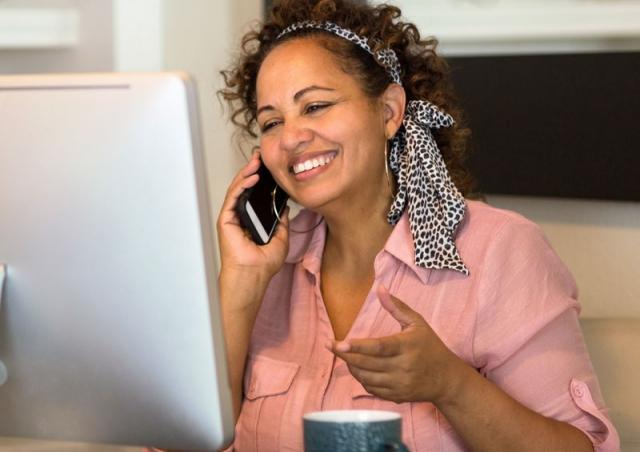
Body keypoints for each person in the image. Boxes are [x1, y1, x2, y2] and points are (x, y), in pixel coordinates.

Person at [216, 0, 620, 450]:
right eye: (271, 122)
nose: (290, 137)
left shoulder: (499, 249)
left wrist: (451, 385)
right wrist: (240, 286)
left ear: (389, 111)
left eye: (315, 106)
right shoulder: (266, 267)